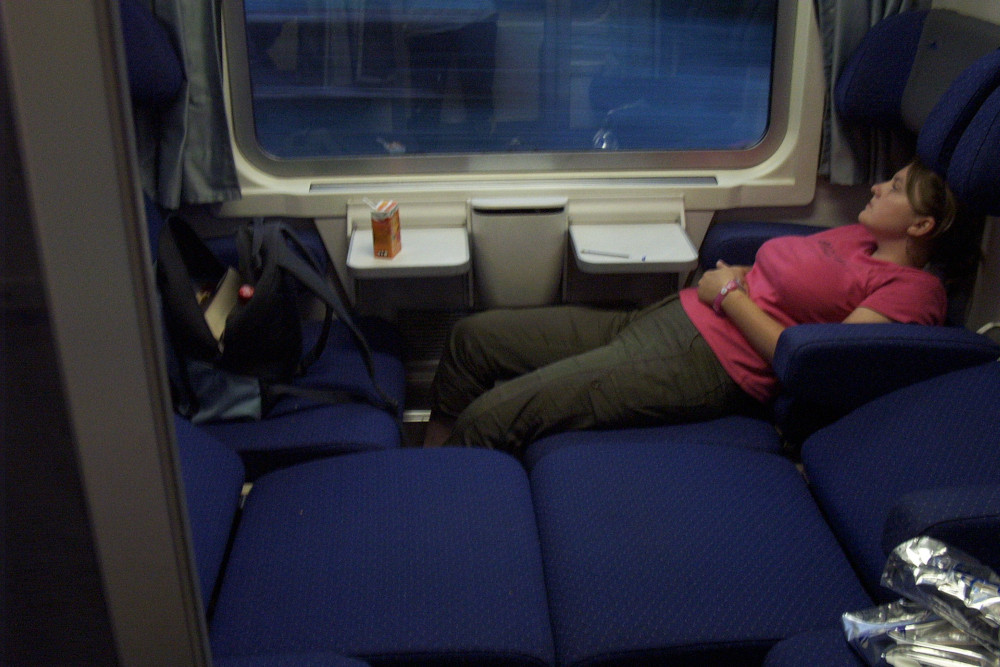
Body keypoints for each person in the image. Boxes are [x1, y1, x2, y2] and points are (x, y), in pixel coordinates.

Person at [422, 159, 985, 453]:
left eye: (895, 187)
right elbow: (784, 277)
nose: (878, 188)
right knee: (474, 338)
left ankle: (443, 513)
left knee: (493, 417)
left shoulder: (915, 291)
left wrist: (731, 296)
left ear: (921, 225)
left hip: (707, 363)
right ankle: (427, 465)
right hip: (673, 315)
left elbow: (821, 364)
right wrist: (736, 277)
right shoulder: (857, 238)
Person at [403, 0, 498, 150]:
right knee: (427, 110)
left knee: (478, 102)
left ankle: (425, 151)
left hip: (438, 18)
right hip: (433, 20)